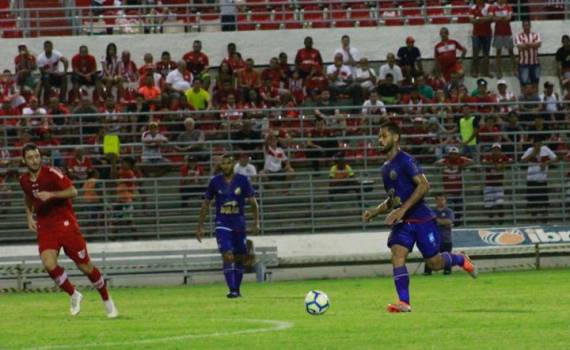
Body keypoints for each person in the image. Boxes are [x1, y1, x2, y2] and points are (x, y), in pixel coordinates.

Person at [362, 122, 476, 313]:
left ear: (396, 137)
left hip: (422, 219)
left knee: (435, 263)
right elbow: (393, 199)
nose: (379, 140)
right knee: (397, 254)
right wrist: (376, 211)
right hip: (404, 223)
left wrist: (402, 209)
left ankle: (460, 259)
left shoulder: (406, 161)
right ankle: (404, 303)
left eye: (384, 136)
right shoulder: (385, 169)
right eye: (379, 137)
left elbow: (424, 186)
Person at [19, 144, 118, 318]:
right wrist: (29, 217)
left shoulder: (52, 173)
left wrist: (51, 194)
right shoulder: (24, 180)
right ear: (24, 160)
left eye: (36, 156)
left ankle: (107, 300)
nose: (34, 160)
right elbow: (28, 197)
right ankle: (74, 294)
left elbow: (73, 191)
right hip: (46, 226)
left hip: (66, 225)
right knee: (48, 264)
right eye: (30, 157)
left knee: (85, 267)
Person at [196, 154, 260, 298]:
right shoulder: (215, 182)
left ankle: (236, 289)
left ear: (233, 164)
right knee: (227, 256)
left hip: (239, 224)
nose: (225, 166)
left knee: (239, 258)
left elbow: (253, 202)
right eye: (223, 163)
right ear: (220, 165)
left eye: (228, 163)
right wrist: (200, 226)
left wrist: (256, 222)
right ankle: (232, 290)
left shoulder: (242, 180)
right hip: (222, 223)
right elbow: (206, 203)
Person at [521, 136, 557, 223]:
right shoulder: (530, 150)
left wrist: (546, 162)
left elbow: (555, 158)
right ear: (533, 144)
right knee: (532, 201)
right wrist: (532, 154)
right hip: (531, 180)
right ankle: (533, 219)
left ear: (541, 144)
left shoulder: (546, 149)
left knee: (543, 201)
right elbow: (522, 160)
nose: (538, 146)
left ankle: (544, 219)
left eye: (539, 144)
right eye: (536, 144)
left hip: (542, 180)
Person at [423, 193, 455, 275]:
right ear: (435, 201)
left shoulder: (449, 211)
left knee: (447, 255)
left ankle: (447, 271)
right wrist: (444, 223)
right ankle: (427, 271)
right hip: (433, 238)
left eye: (442, 199)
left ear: (445, 201)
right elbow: (427, 222)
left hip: (446, 238)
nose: (440, 201)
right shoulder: (431, 211)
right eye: (438, 200)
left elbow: (449, 221)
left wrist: (435, 220)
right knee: (430, 255)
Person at [481, 143, 512, 223]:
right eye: (494, 150)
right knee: (489, 205)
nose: (496, 151)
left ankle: (501, 220)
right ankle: (490, 220)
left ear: (500, 151)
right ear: (492, 150)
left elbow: (511, 160)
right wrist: (494, 165)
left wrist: (502, 165)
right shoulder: (488, 157)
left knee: (500, 203)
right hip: (488, 184)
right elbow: (483, 162)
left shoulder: (503, 157)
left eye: (497, 150)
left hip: (499, 184)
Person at [491, 0, 516, 78]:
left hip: (508, 32)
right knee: (498, 52)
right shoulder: (494, 7)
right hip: (498, 33)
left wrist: (499, 18)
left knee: (511, 51)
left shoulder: (508, 6)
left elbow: (509, 17)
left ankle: (515, 69)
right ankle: (499, 71)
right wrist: (503, 18)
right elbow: (493, 19)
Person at [469, 0, 493, 78]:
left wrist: (478, 19)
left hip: (487, 34)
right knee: (475, 54)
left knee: (486, 54)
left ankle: (486, 72)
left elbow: (490, 17)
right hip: (476, 34)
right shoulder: (473, 7)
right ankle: (475, 71)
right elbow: (471, 20)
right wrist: (484, 19)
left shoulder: (488, 6)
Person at [515, 20, 541, 89]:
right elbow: (520, 47)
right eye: (525, 25)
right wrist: (532, 45)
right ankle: (524, 99)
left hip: (535, 63)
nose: (526, 27)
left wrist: (526, 45)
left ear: (530, 26)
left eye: (527, 25)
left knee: (535, 82)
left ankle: (535, 98)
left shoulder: (536, 34)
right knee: (524, 83)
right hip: (523, 64)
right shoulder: (518, 36)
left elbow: (538, 44)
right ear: (522, 26)